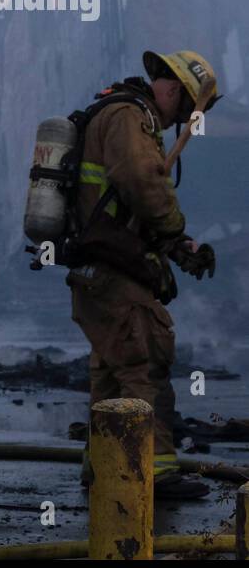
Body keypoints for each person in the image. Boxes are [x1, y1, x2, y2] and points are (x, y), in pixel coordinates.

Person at [68, 49, 219, 500]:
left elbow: (124, 205)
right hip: (114, 271)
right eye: (189, 111)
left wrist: (175, 246)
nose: (182, 123)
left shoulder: (121, 112)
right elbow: (141, 179)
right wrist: (173, 226)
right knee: (144, 364)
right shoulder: (130, 116)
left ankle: (103, 471)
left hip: (102, 266)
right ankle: (153, 474)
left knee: (113, 373)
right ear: (173, 88)